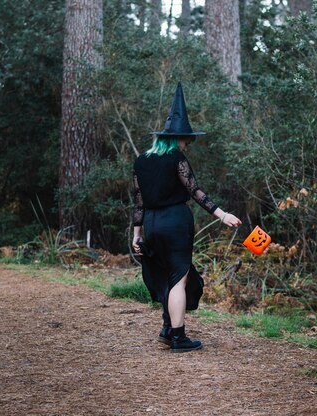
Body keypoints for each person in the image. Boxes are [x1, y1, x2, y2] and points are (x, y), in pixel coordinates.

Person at [132, 83, 241, 353]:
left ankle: (168, 328)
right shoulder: (176, 159)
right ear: (176, 139)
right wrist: (222, 214)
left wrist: (136, 234)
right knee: (179, 278)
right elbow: (194, 191)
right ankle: (179, 337)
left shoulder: (141, 160)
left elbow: (138, 200)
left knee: (164, 274)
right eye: (186, 140)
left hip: (151, 224)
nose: (187, 145)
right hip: (175, 223)